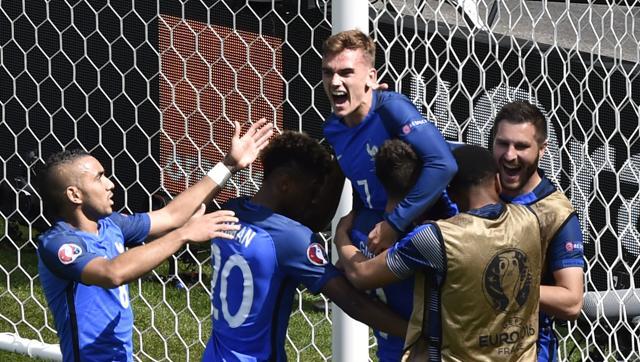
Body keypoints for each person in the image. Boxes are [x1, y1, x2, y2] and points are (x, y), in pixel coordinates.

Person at [36, 120, 273, 362]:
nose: (110, 184)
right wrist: (183, 234)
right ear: (74, 194)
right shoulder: (58, 245)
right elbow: (111, 273)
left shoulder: (111, 225)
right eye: (99, 178)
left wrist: (228, 165)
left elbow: (171, 216)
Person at [202, 131, 408, 362]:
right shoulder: (292, 239)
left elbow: (310, 221)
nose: (314, 200)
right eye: (312, 192)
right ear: (285, 185)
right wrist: (418, 331)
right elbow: (353, 301)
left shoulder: (231, 211)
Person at [335, 141, 543, 361]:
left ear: (448, 192)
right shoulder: (529, 219)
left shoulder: (436, 237)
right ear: (498, 182)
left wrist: (340, 233)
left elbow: (361, 275)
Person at [321, 29, 457, 360]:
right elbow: (363, 186)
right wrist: (353, 230)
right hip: (381, 239)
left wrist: (394, 223)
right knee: (394, 338)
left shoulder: (392, 109)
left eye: (346, 73)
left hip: (423, 240)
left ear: (371, 77)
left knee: (432, 341)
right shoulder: (333, 129)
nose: (335, 82)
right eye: (328, 73)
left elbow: (443, 165)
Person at [491, 101, 584, 362]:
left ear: (542, 150)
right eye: (502, 143)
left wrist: (496, 287)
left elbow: (572, 301)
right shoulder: (471, 189)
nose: (509, 155)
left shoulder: (556, 214)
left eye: (521, 146)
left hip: (527, 352)